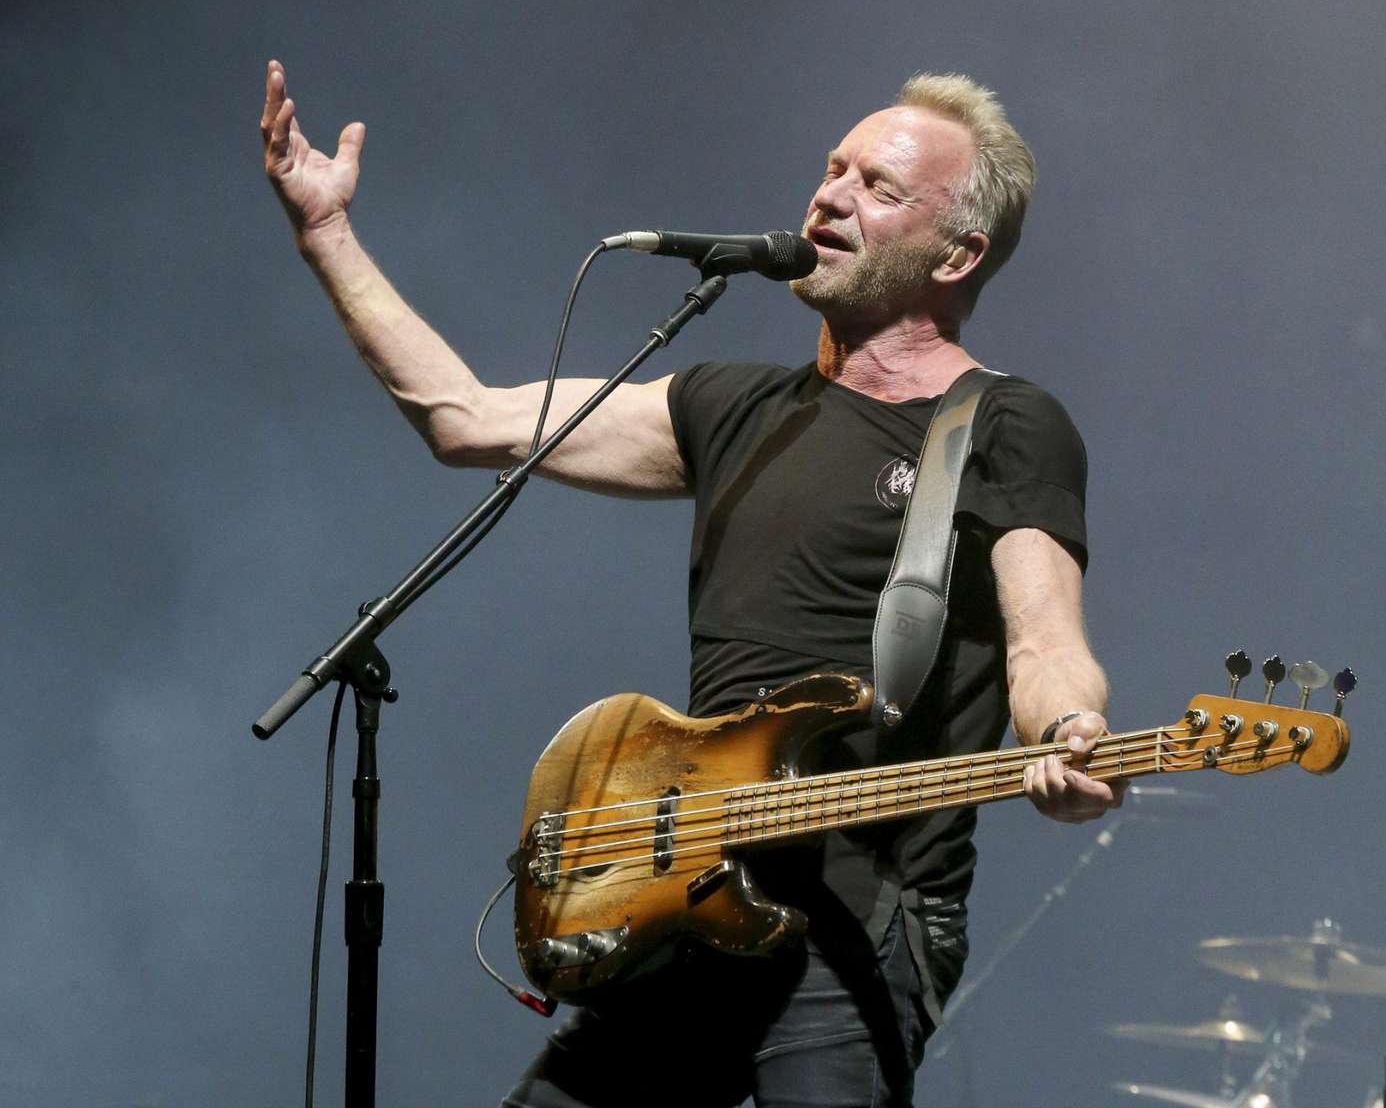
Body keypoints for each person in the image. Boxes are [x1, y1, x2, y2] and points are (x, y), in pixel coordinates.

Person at [260, 60, 1124, 1107]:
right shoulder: (728, 404)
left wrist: (1069, 735)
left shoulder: (1004, 423)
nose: (830, 194)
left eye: (878, 187)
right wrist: (326, 236)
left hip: (855, 921)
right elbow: (462, 418)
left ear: (960, 251)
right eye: (832, 168)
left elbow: (1043, 641)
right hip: (692, 894)